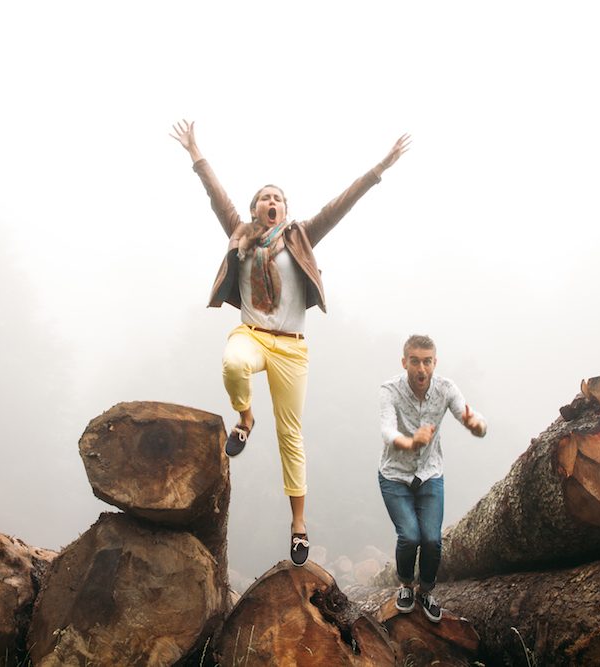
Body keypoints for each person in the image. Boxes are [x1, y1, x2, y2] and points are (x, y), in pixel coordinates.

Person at [171, 119, 410, 566]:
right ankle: (245, 418)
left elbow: (343, 204)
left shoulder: (302, 236)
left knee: (291, 437)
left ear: (285, 208)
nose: (272, 202)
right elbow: (215, 195)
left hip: (292, 348)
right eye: (265, 197)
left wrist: (380, 168)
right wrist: (195, 152)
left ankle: (298, 525)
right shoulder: (239, 234)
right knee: (232, 363)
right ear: (255, 208)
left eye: (278, 197)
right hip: (253, 336)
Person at [378, 334, 487, 621]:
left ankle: (426, 591)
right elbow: (388, 431)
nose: (421, 369)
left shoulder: (446, 389)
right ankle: (405, 585)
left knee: (432, 540)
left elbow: (467, 414)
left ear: (435, 363)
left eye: (427, 362)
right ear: (405, 363)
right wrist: (411, 441)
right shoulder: (389, 390)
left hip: (429, 474)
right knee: (410, 536)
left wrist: (477, 425)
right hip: (394, 477)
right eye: (415, 361)